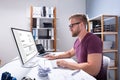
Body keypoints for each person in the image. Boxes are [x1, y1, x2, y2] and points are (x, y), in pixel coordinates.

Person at [44, 14, 105, 80]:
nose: (70, 29)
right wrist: (55, 56)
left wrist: (67, 64)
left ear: (81, 25)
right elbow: (70, 53)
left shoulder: (93, 40)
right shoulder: (78, 40)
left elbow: (93, 70)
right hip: (82, 74)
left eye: (71, 26)